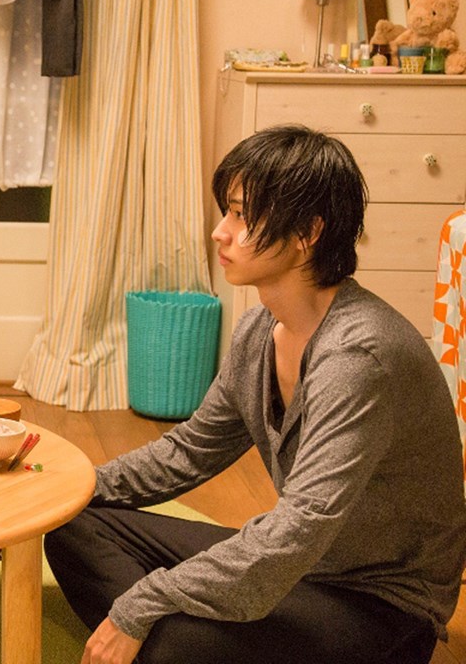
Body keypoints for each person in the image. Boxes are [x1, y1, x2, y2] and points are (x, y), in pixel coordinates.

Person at [45, 125, 466, 664]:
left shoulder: (359, 358)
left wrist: (140, 605)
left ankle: (167, 636)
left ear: (307, 232)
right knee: (74, 523)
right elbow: (188, 452)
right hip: (300, 567)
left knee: (170, 646)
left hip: (378, 603)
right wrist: (58, 495)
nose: (220, 232)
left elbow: (296, 530)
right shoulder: (259, 330)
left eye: (241, 215)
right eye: (227, 211)